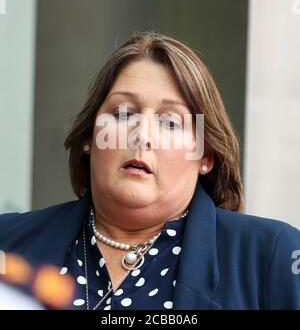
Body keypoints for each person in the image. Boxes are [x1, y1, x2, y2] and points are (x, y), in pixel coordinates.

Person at [0, 32, 299, 310]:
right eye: (122, 114)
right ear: (89, 137)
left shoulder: (272, 258)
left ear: (205, 156)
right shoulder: (8, 244)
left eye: (170, 122)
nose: (141, 135)